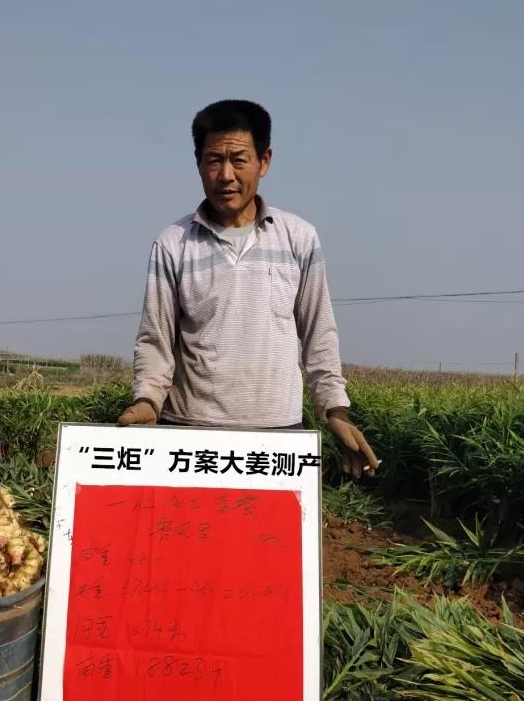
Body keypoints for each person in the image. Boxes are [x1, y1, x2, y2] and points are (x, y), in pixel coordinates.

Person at [118, 100, 378, 479]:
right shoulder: (173, 243)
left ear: (264, 161)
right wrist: (147, 400)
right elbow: (155, 338)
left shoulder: (299, 238)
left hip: (278, 437)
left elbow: (319, 333)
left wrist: (334, 409)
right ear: (198, 163)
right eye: (213, 160)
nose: (226, 175)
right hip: (190, 433)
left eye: (239, 160)